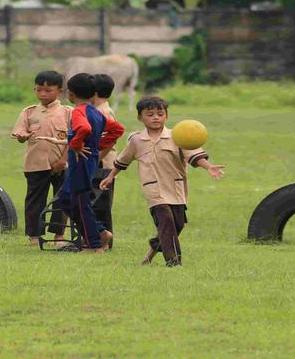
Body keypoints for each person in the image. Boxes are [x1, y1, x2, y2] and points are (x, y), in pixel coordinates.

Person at [99, 96, 225, 266]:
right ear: (140, 117)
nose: (155, 117)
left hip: (176, 187)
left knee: (177, 225)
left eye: (160, 113)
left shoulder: (178, 135)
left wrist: (208, 166)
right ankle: (174, 262)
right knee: (166, 222)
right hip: (153, 190)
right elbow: (123, 160)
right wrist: (110, 176)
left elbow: (193, 156)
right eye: (150, 114)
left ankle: (154, 246)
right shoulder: (136, 140)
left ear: (167, 116)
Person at [38, 73, 124, 253]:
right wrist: (97, 146)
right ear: (94, 95)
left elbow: (84, 128)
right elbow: (117, 130)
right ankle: (100, 232)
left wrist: (76, 146)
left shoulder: (78, 111)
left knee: (80, 202)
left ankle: (93, 244)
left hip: (80, 163)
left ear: (70, 94)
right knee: (66, 199)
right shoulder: (95, 111)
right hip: (89, 162)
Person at [11, 71, 72, 246]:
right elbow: (20, 132)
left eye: (48, 90)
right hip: (35, 163)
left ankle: (58, 236)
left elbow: (73, 139)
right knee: (35, 200)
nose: (43, 94)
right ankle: (34, 236)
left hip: (62, 163)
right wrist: (22, 136)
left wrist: (63, 160)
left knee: (62, 200)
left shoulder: (68, 113)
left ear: (60, 91)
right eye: (39, 90)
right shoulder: (29, 112)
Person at [91, 73, 118, 238]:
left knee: (101, 204)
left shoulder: (103, 112)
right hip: (99, 163)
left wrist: (96, 159)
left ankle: (104, 239)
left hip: (102, 164)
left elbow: (109, 141)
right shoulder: (98, 110)